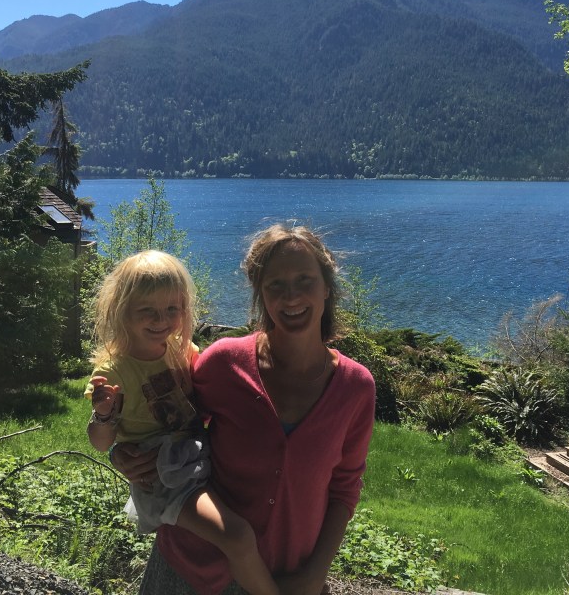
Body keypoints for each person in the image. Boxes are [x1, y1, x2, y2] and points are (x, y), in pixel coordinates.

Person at [111, 224, 376, 595]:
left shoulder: (355, 388)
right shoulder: (225, 363)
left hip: (287, 578)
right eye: (275, 285)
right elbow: (164, 420)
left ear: (326, 286)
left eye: (305, 280)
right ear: (260, 295)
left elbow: (345, 488)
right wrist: (121, 451)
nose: (291, 296)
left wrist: (315, 575)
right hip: (189, 569)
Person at [85, 250, 279, 595]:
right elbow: (100, 442)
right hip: (161, 474)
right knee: (236, 535)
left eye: (172, 309)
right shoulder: (114, 370)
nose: (162, 320)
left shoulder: (181, 349)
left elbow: (208, 395)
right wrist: (104, 414)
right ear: (122, 309)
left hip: (192, 456)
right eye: (148, 311)